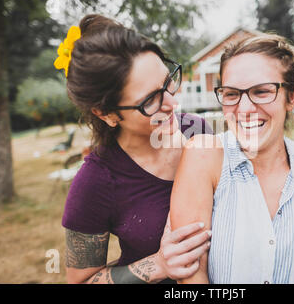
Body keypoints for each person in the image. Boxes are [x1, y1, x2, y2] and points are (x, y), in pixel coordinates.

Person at [170, 34, 294, 284]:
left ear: (292, 96)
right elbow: (191, 277)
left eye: (262, 91)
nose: (244, 109)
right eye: (231, 94)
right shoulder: (204, 155)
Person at [55, 15, 213, 284]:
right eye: (150, 100)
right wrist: (159, 264)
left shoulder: (199, 130)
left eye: (168, 81)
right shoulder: (95, 182)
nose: (173, 102)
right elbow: (80, 281)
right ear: (106, 113)